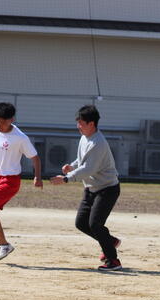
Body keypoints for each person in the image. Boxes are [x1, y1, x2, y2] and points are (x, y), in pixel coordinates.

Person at [50, 105, 121, 271]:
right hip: (91, 189)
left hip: (107, 189)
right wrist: (72, 166)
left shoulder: (98, 143)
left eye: (81, 123)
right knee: (81, 223)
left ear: (91, 124)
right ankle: (110, 241)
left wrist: (67, 178)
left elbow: (89, 169)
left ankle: (113, 260)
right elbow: (82, 160)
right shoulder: (85, 138)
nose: (78, 126)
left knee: (95, 224)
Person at [0, 102, 41, 263]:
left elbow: (35, 158)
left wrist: (37, 177)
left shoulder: (20, 138)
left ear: (12, 120)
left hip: (10, 181)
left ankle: (4, 245)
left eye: (3, 122)